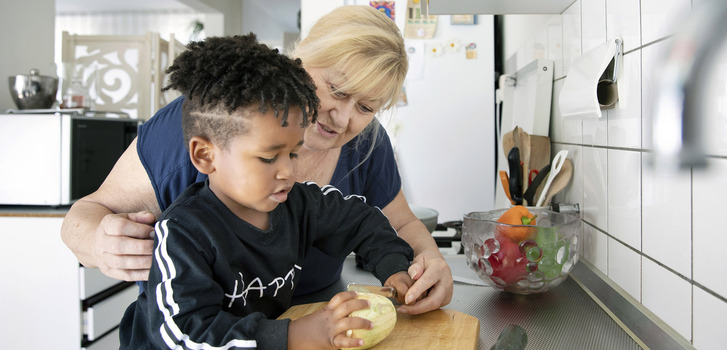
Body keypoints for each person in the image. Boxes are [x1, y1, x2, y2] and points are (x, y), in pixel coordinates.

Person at [60, 5, 453, 314]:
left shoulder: (367, 143)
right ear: (302, 58)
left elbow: (399, 222)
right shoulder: (213, 117)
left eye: (366, 107)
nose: (344, 118)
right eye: (337, 89)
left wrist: (428, 259)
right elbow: (86, 213)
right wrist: (98, 241)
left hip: (316, 321)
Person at [120, 33, 416, 350]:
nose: (288, 171)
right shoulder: (183, 233)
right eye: (267, 157)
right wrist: (293, 336)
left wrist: (394, 270)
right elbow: (186, 334)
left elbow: (362, 221)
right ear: (206, 156)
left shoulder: (298, 204)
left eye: (293, 153)